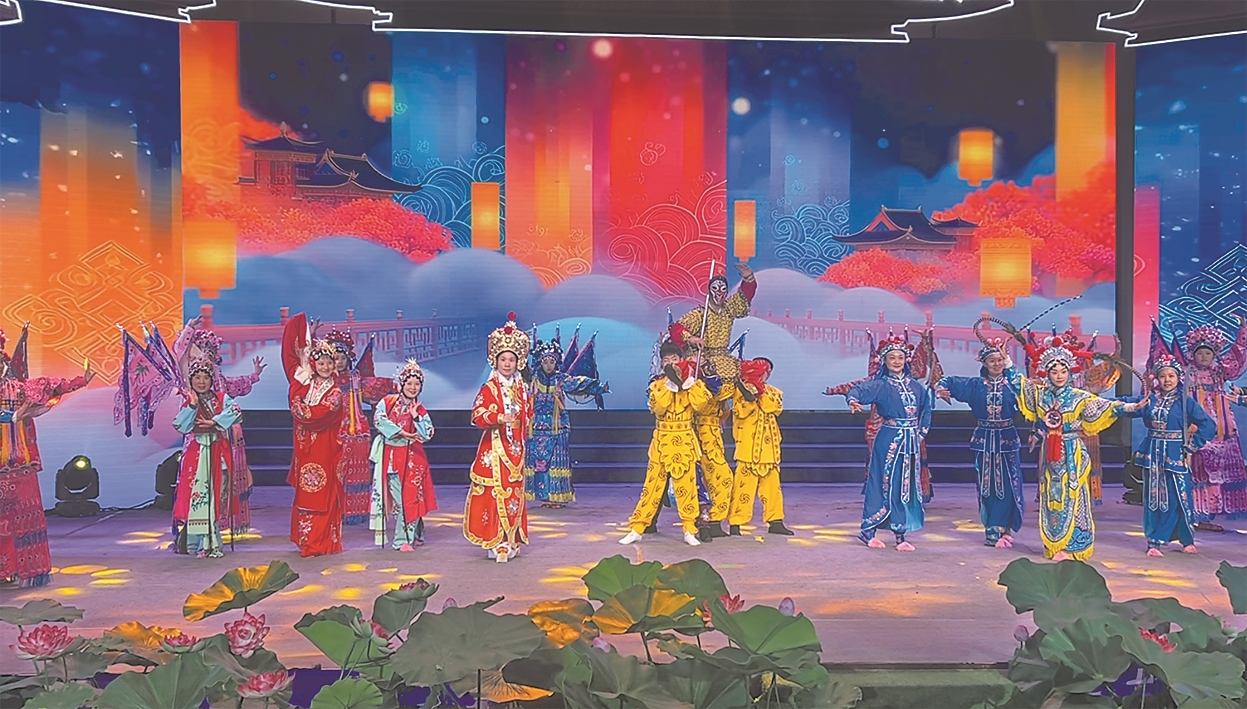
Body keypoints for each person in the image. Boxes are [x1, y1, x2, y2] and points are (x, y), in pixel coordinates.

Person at [1006, 336, 1142, 561]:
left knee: (1073, 494)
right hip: (1050, 453)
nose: (1059, 376)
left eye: (1063, 371)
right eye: (1054, 372)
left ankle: (1074, 544)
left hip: (1073, 452)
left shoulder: (1079, 397)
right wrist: (1008, 363)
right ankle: (1055, 543)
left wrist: (1131, 407)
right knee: (1052, 495)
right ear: (1047, 373)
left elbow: (1107, 406)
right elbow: (1020, 385)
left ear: (1070, 372)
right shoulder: (1041, 395)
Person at [0, 328, 92, 587]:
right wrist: (12, 417)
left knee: (19, 520)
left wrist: (81, 381)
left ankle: (18, 569)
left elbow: (50, 387)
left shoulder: (18, 389)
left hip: (18, 463)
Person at [174, 317, 265, 536]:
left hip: (222, 439)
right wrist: (189, 329)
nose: (207, 357)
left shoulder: (220, 383)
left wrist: (254, 376)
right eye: (203, 352)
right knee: (194, 483)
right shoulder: (189, 384)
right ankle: (192, 528)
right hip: (197, 442)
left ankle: (216, 527)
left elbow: (236, 398)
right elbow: (179, 353)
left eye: (211, 353)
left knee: (222, 482)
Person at [844, 335, 934, 551]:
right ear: (884, 361)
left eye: (900, 357)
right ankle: (868, 530)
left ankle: (900, 534)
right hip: (889, 440)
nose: (896, 361)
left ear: (906, 360)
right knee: (881, 483)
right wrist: (853, 400)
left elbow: (926, 409)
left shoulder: (916, 387)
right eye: (891, 357)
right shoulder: (881, 385)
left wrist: (921, 434)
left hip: (910, 442)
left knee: (905, 486)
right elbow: (858, 390)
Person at [1122, 350, 1216, 557]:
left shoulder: (1185, 402)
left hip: (1176, 455)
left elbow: (1208, 425)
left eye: (1171, 375)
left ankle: (1186, 539)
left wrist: (1191, 446)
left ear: (1178, 378)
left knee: (1179, 498)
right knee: (1154, 498)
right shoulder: (1150, 400)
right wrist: (1098, 401)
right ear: (1157, 378)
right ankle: (1154, 541)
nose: (1167, 380)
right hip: (1152, 455)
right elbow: (1125, 404)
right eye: (1163, 376)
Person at [935, 338, 1025, 548]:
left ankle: (1006, 527)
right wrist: (940, 389)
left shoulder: (1014, 384)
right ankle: (992, 527)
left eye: (1000, 360)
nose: (996, 364)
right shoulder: (975, 386)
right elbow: (947, 381)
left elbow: (1033, 399)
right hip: (984, 439)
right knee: (987, 485)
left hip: (1007, 439)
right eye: (992, 361)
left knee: (1009, 484)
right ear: (984, 363)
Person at [619, 341, 710, 547]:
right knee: (651, 487)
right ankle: (637, 528)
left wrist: (688, 383)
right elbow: (658, 408)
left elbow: (701, 405)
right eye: (666, 360)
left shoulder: (694, 384)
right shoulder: (657, 385)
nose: (670, 363)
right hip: (661, 441)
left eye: (674, 359)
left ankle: (689, 529)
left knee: (687, 487)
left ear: (682, 360)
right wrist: (672, 384)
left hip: (684, 441)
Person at [464, 313, 534, 563]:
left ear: (518, 362)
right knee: (495, 494)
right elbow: (477, 415)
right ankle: (496, 541)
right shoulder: (490, 388)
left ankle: (511, 538)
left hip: (516, 450)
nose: (507, 364)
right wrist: (498, 417)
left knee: (514, 494)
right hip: (494, 450)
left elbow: (528, 415)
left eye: (511, 359)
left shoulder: (522, 389)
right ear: (496, 361)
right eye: (503, 359)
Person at [282, 313, 345, 558]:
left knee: (321, 493)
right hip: (306, 450)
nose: (326, 367)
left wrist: (298, 407)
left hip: (325, 450)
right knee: (306, 493)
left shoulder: (335, 392)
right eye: (321, 363)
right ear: (314, 364)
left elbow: (319, 415)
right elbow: (293, 362)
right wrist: (307, 334)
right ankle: (307, 540)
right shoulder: (306, 384)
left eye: (330, 363)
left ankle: (321, 542)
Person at [523, 331, 609, 508]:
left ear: (556, 362)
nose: (548, 365)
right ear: (540, 362)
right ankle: (545, 497)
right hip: (536, 429)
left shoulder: (561, 380)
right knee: (540, 464)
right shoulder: (533, 380)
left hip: (558, 428)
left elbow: (580, 383)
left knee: (556, 463)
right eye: (545, 361)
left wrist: (600, 387)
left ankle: (558, 497)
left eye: (551, 361)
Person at [172, 358, 243, 559]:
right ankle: (195, 542)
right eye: (197, 378)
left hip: (217, 452)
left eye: (205, 377)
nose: (201, 382)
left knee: (215, 498)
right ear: (191, 380)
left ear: (212, 380)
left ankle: (211, 542)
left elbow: (236, 412)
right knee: (197, 497)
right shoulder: (189, 400)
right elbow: (180, 425)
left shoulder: (221, 398)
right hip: (196, 454)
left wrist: (214, 421)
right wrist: (193, 406)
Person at [1180, 318, 1247, 530]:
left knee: (1219, 476)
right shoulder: (1186, 374)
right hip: (1197, 431)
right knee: (1198, 473)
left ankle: (1211, 513)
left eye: (1208, 353)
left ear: (1215, 355)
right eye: (1200, 353)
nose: (1204, 356)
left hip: (1222, 431)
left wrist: (1242, 333)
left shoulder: (1219, 373)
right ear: (1192, 354)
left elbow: (1236, 359)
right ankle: (1197, 516)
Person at [324, 329, 396, 526]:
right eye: (335, 358)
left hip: (356, 431)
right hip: (332, 431)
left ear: (349, 359)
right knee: (334, 473)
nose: (339, 362)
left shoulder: (356, 378)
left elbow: (377, 386)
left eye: (342, 358)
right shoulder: (325, 381)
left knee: (356, 473)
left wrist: (402, 386)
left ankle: (354, 512)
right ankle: (334, 511)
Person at [370, 360, 436, 551]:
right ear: (401, 384)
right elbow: (378, 420)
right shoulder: (387, 402)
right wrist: (402, 433)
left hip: (413, 459)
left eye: (417, 384)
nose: (413, 387)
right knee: (400, 501)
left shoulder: (420, 410)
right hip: (391, 457)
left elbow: (428, 434)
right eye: (409, 383)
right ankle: (406, 538)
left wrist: (416, 417)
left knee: (411, 498)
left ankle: (406, 538)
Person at [728, 357, 793, 536]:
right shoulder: (739, 391)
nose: (765, 373)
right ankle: (735, 523)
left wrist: (758, 390)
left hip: (770, 451)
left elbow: (772, 407)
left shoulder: (773, 392)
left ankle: (775, 521)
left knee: (773, 490)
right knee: (742, 489)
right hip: (747, 451)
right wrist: (746, 388)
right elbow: (743, 410)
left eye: (767, 370)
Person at [669, 263, 756, 385]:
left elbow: (744, 298)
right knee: (700, 370)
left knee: (756, 369)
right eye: (715, 288)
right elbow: (676, 328)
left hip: (724, 357)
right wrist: (691, 339)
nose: (719, 293)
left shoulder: (729, 308)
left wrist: (749, 279)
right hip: (703, 356)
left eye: (723, 289)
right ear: (709, 291)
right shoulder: (700, 313)